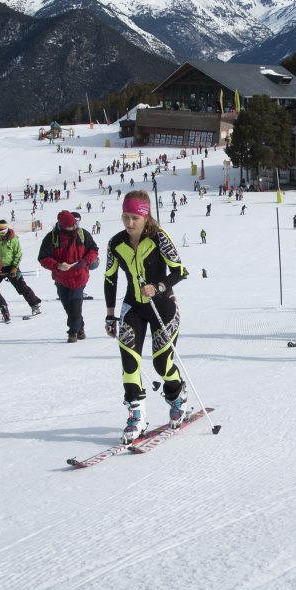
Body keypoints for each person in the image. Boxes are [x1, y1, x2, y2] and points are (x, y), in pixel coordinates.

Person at [103, 190, 190, 443]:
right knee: (130, 363)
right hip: (133, 307)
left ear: (145, 216)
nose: (129, 224)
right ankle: (136, 415)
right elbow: (110, 278)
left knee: (161, 365)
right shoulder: (116, 243)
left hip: (163, 306)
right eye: (125, 217)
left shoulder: (159, 237)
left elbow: (180, 271)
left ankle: (176, 396)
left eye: (134, 218)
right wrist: (110, 315)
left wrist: (158, 287)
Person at [38, 210, 99, 342]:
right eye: (71, 226)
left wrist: (85, 261)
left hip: (79, 277)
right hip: (61, 279)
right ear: (62, 225)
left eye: (74, 225)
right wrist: (57, 265)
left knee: (75, 305)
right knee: (68, 306)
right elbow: (43, 258)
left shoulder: (82, 234)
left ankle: (72, 332)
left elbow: (94, 249)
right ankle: (80, 327)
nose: (74, 228)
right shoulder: (51, 238)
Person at [0, 220, 42, 317]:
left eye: (2, 231)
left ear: (6, 230)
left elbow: (18, 254)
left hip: (11, 267)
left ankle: (35, 305)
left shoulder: (13, 239)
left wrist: (14, 268)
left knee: (21, 287)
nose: (0, 234)